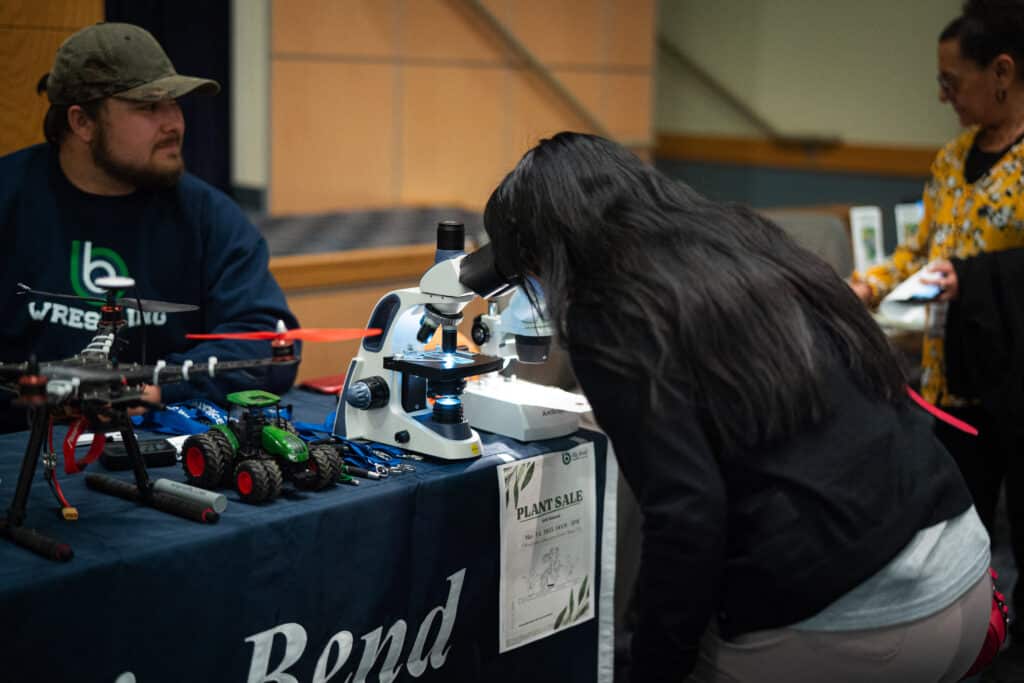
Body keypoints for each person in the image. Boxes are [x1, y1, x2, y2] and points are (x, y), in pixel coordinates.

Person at [483, 131, 994, 682]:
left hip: (867, 620)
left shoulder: (609, 311)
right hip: (964, 568)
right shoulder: (742, 240)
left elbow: (685, 515)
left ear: (549, 253)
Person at [0, 22, 299, 432]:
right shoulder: (9, 198)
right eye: (147, 106)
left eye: (174, 104)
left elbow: (266, 341)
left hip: (155, 449)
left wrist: (156, 387)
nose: (174, 122)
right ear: (81, 122)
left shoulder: (209, 216)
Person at [851, 0, 1024, 623]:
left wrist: (974, 281)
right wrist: (865, 285)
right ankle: (971, 635)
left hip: (1013, 380)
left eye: (953, 81)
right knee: (960, 530)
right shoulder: (951, 161)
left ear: (1001, 71)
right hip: (950, 381)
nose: (944, 96)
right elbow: (920, 253)